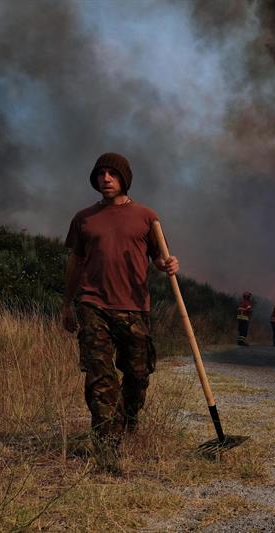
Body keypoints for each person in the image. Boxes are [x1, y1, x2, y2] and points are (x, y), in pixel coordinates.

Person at [61, 152, 178, 469]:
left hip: (133, 308)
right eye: (100, 174)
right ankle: (106, 443)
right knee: (100, 377)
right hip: (92, 304)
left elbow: (159, 257)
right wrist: (67, 305)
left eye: (112, 174)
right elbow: (75, 263)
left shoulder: (146, 217)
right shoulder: (84, 219)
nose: (106, 179)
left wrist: (168, 263)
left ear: (124, 179)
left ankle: (128, 418)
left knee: (138, 374)